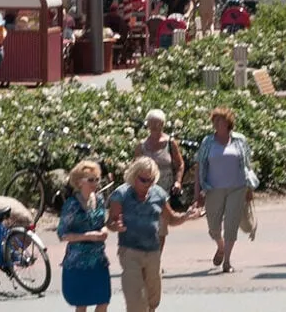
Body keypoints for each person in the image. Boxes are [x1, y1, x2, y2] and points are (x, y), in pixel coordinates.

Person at [107, 157, 199, 312]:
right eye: (143, 180)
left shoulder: (158, 194)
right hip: (130, 251)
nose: (147, 184)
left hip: (153, 251)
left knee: (153, 297)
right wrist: (115, 226)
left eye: (150, 180)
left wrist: (186, 216)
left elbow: (171, 219)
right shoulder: (120, 195)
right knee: (135, 298)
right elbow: (110, 222)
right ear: (134, 176)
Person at [194, 107, 257, 273]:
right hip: (213, 188)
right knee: (213, 227)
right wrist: (197, 191)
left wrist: (249, 188)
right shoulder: (207, 141)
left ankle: (227, 262)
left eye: (220, 121)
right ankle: (220, 246)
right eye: (214, 121)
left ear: (228, 123)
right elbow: (199, 166)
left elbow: (247, 165)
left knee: (231, 224)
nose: (216, 124)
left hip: (237, 187)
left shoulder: (240, 140)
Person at [58, 160, 111, 312]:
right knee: (81, 305)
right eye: (90, 180)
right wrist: (88, 236)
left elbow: (101, 223)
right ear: (79, 182)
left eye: (97, 179)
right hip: (78, 262)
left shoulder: (99, 200)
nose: (95, 183)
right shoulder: (71, 205)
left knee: (103, 301)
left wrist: (104, 230)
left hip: (98, 260)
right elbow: (63, 234)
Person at [134, 109, 184, 252]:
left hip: (164, 191)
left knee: (161, 226)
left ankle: (156, 257)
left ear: (163, 124)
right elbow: (135, 168)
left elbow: (179, 164)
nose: (155, 126)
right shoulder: (141, 146)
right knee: (147, 225)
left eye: (159, 123)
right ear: (148, 124)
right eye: (152, 123)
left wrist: (178, 181)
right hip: (145, 192)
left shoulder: (170, 143)